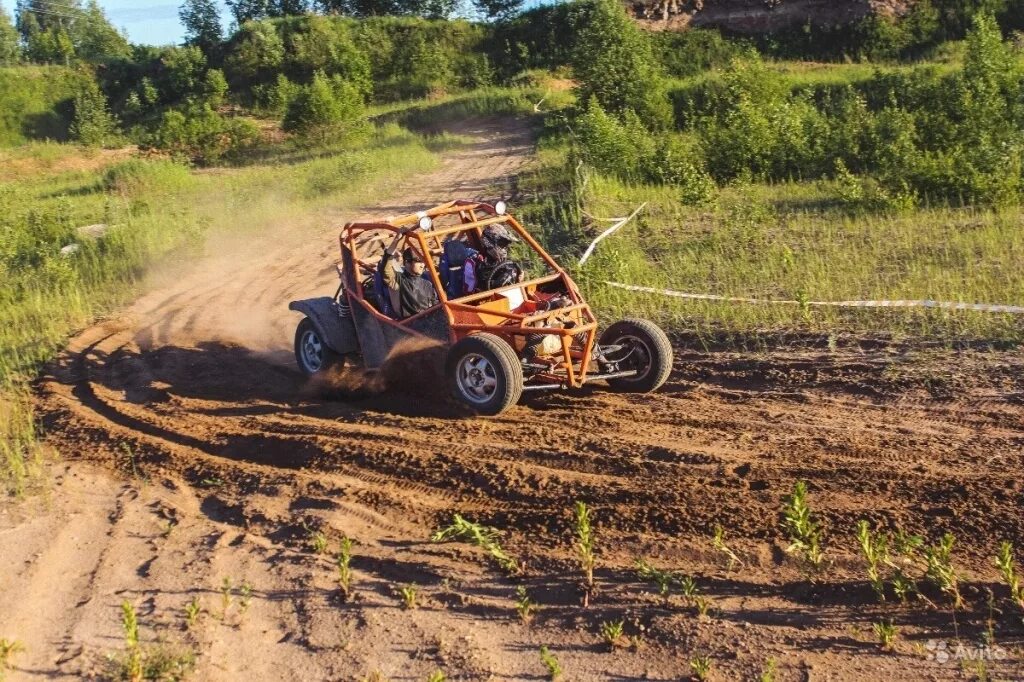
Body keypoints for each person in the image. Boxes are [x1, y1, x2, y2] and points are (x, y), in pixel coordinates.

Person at [379, 230, 439, 318]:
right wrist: (396, 239)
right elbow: (386, 266)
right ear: (407, 262)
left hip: (429, 322)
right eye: (419, 262)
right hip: (409, 324)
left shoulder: (427, 284)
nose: (422, 265)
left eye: (423, 262)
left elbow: (435, 304)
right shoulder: (398, 281)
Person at [464, 223, 523, 294]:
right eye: (502, 244)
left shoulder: (507, 262)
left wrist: (519, 280)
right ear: (489, 242)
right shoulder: (475, 264)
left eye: (506, 244)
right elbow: (471, 291)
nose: (505, 248)